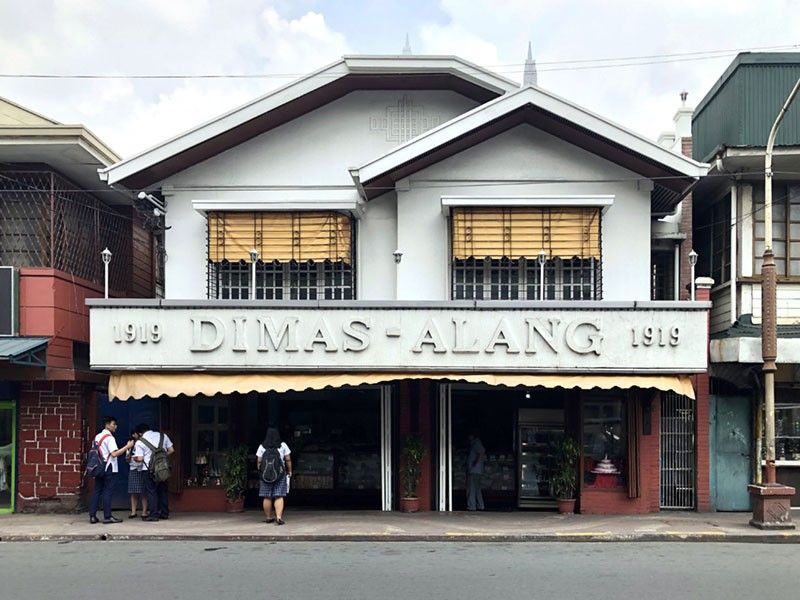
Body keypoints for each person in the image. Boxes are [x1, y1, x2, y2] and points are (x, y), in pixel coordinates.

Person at [89, 416, 134, 524]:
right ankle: (107, 516)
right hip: (109, 468)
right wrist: (127, 446)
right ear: (107, 425)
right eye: (113, 424)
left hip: (99, 467)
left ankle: (92, 516)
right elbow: (114, 453)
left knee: (97, 491)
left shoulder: (97, 436)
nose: (115, 426)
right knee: (107, 492)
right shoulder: (110, 438)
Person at [132, 423, 174, 522]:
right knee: (163, 491)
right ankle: (164, 513)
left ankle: (153, 515)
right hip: (163, 469)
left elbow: (140, 458)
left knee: (151, 491)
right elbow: (171, 450)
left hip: (148, 470)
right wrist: (162, 459)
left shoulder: (140, 442)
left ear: (140, 433)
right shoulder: (163, 436)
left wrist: (134, 459)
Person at [256, 427, 292, 526]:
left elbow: (259, 461)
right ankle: (279, 517)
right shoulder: (283, 445)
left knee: (267, 496)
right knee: (279, 495)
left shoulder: (262, 447)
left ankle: (268, 517)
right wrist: (289, 471)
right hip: (280, 474)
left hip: (265, 475)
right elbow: (288, 459)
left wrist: (261, 472)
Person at [125, 429, 148, 519]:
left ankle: (144, 512)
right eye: (133, 434)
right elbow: (126, 458)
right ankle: (133, 512)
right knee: (133, 491)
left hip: (143, 468)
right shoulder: (130, 444)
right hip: (133, 468)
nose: (134, 435)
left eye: (135, 434)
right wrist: (128, 457)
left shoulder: (144, 443)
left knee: (144, 491)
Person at [466, 431, 486, 511]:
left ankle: (472, 506)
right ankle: (480, 505)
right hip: (477, 470)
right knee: (477, 488)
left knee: (471, 488)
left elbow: (481, 452)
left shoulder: (476, 443)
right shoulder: (475, 443)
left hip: (474, 470)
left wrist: (475, 462)